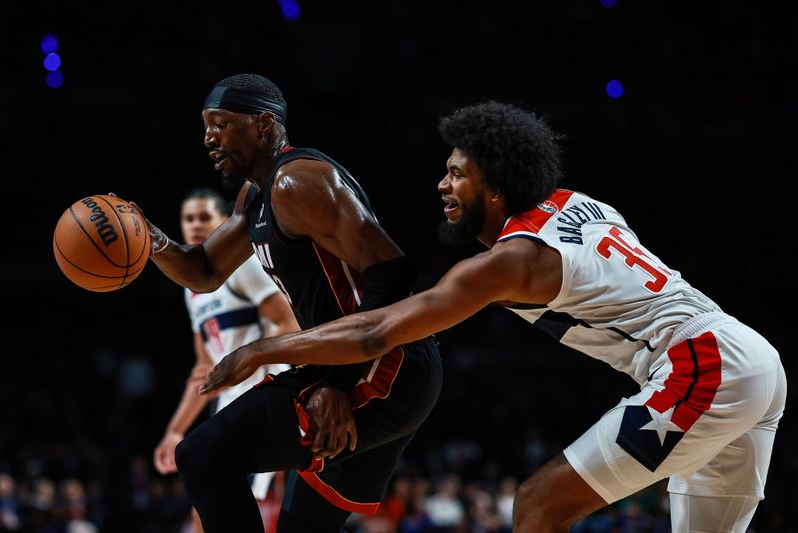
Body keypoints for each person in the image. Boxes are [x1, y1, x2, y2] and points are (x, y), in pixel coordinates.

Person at [201, 101, 787, 533]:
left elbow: (378, 331)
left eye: (457, 173)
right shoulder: (575, 205)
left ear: (499, 188)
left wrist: (262, 351)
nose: (442, 185)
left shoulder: (512, 260)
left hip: (704, 365)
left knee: (536, 506)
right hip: (754, 360)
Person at [135, 73, 443, 533]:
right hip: (355, 361)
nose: (207, 137)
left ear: (263, 124)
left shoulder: (298, 181)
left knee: (202, 455)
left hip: (385, 363)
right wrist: (149, 238)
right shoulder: (256, 195)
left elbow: (392, 271)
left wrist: (339, 382)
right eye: (205, 125)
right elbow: (203, 271)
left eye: (220, 124)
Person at [152, 188, 299, 532]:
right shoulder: (193, 293)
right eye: (189, 218)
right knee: (207, 511)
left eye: (205, 217)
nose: (196, 225)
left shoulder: (243, 266)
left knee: (224, 510)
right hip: (229, 402)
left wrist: (247, 360)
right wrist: (174, 431)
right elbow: (202, 370)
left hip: (268, 389)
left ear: (223, 223)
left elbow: (288, 323)